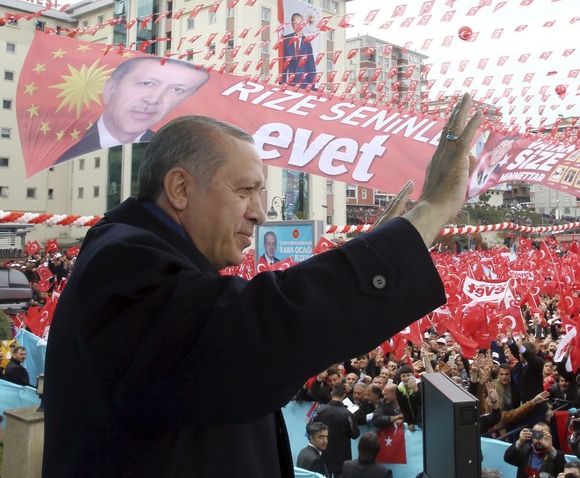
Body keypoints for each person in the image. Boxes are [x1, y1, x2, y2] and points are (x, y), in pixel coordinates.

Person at [42, 93, 483, 477]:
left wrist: (374, 250)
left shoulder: (151, 260)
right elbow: (258, 329)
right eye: (245, 190)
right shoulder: (124, 261)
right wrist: (429, 212)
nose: (258, 212)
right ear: (179, 188)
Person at [54, 56, 210, 164]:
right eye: (146, 83)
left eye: (176, 89)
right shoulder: (64, 145)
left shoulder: (174, 155)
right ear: (110, 89)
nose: (154, 99)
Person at [314, 383, 360, 477]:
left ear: (331, 394)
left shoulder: (320, 411)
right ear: (344, 395)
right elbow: (355, 434)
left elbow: (311, 428)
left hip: (323, 452)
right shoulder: (347, 414)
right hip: (342, 456)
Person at [282, 12, 316, 88]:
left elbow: (311, 67)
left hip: (303, 85)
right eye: (296, 23)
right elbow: (283, 65)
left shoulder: (307, 42)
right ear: (292, 25)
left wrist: (311, 87)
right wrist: (282, 83)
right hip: (290, 85)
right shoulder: (286, 40)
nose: (299, 26)